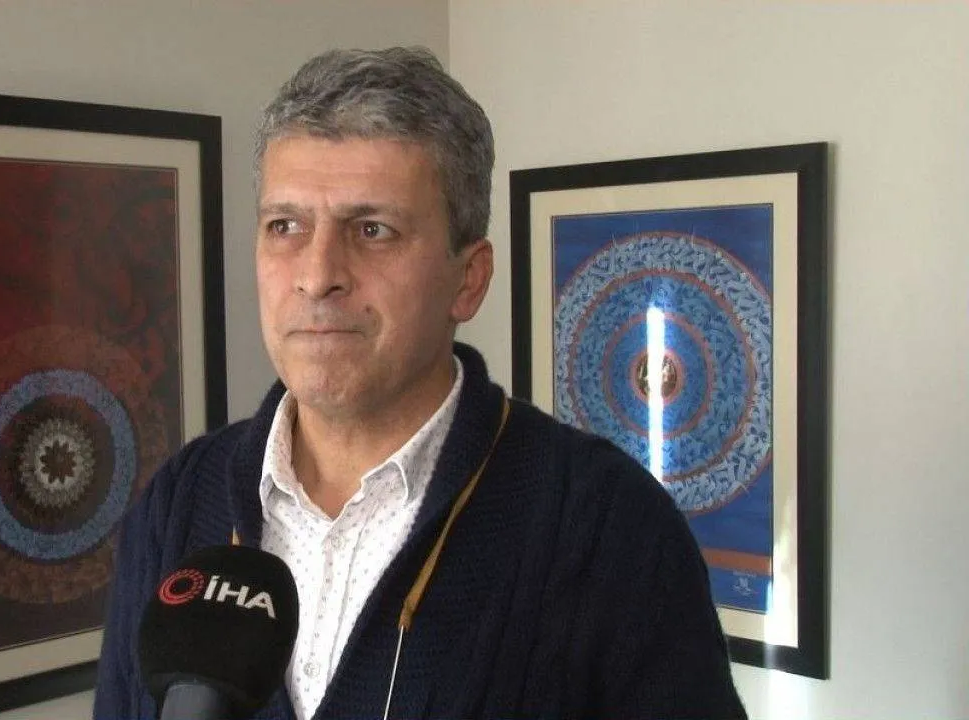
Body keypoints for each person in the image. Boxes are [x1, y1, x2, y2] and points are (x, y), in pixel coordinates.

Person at [94, 46, 746, 720]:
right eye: (285, 226)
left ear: (469, 280)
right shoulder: (177, 504)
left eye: (372, 230)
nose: (317, 276)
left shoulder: (611, 527)